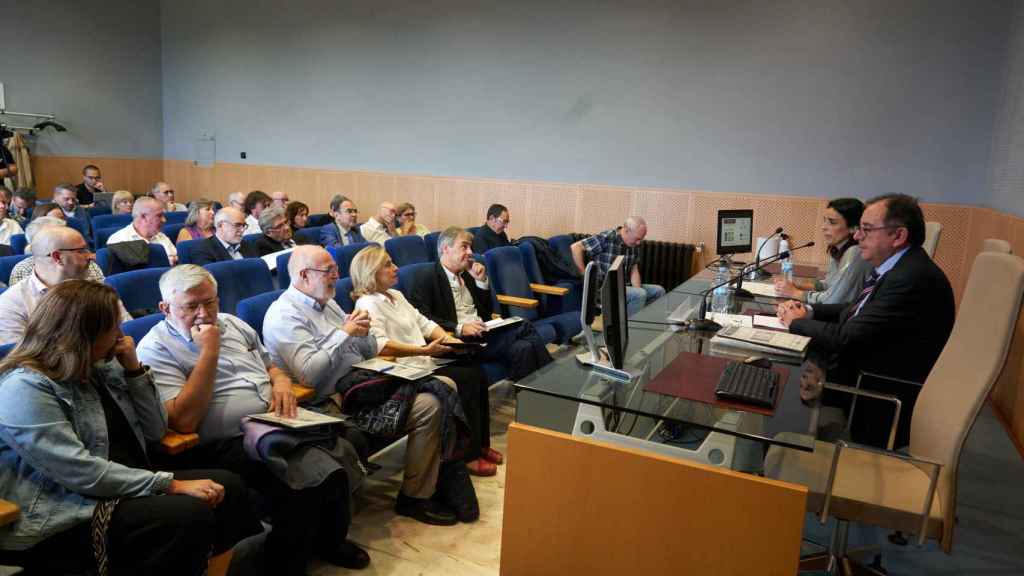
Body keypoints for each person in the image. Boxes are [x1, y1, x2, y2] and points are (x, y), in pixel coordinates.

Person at [0, 280, 261, 576]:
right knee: (189, 513)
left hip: (124, 481)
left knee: (228, 488)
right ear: (85, 333)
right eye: (113, 326)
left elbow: (156, 430)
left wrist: (134, 370)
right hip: (65, 507)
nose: (121, 333)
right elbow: (79, 471)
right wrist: (170, 485)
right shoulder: (24, 388)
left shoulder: (102, 364)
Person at [136, 265, 372, 574]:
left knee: (347, 441)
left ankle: (329, 540)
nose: (205, 313)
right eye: (191, 306)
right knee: (307, 474)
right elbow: (183, 421)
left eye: (210, 302)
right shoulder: (155, 348)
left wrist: (282, 382)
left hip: (276, 420)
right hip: (223, 440)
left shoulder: (233, 323)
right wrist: (210, 351)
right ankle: (285, 561)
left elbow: (270, 364)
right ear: (165, 308)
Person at [263, 245, 477, 525]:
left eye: (336, 270)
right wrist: (345, 333)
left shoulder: (327, 303)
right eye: (329, 271)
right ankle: (443, 482)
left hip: (364, 384)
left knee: (439, 392)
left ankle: (417, 494)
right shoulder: (284, 315)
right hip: (331, 401)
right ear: (304, 275)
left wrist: (362, 334)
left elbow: (366, 349)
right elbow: (308, 376)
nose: (336, 277)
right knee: (437, 393)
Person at [777, 194, 955, 448]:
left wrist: (795, 323)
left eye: (867, 230)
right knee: (780, 374)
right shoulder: (902, 267)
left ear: (898, 236)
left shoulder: (910, 278)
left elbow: (848, 336)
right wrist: (808, 311)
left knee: (778, 389)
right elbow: (855, 311)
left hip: (876, 397)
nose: (857, 236)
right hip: (868, 375)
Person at [350, 245, 500, 477]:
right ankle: (468, 456)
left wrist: (451, 341)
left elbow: (425, 323)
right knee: (466, 378)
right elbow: (381, 347)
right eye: (388, 264)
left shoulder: (396, 295)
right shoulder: (367, 304)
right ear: (371, 272)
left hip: (425, 358)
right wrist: (423, 349)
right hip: (405, 369)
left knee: (475, 372)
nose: (396, 268)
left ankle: (480, 445)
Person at [407, 227, 553, 382]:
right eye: (464, 246)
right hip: (458, 342)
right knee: (524, 325)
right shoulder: (425, 277)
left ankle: (528, 398)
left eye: (471, 247)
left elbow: (486, 313)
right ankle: (550, 381)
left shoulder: (468, 274)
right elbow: (423, 318)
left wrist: (481, 281)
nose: (470, 252)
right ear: (446, 249)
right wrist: (460, 328)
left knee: (522, 348)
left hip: (482, 334)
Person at [0, 226, 131, 345]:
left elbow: (126, 328)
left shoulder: (94, 285)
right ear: (58, 257)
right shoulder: (12, 304)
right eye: (81, 251)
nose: (91, 256)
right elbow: (21, 360)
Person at [774, 198, 872, 305]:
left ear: (853, 227)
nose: (823, 227)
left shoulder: (855, 252)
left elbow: (832, 300)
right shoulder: (838, 249)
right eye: (824, 220)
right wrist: (796, 284)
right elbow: (829, 285)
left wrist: (795, 293)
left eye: (832, 222)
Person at [570, 217, 665, 317]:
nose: (639, 243)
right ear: (627, 231)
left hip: (624, 287)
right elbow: (576, 247)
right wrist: (583, 272)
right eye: (637, 239)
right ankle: (628, 328)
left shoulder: (634, 244)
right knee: (640, 294)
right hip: (604, 290)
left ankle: (640, 322)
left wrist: (637, 289)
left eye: (641, 239)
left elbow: (634, 269)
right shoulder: (607, 237)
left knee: (659, 291)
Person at [10, 218, 106, 285]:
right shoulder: (23, 270)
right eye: (52, 237)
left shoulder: (86, 263)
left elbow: (104, 298)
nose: (89, 256)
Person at [107, 197, 179, 265]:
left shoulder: (161, 236)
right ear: (143, 217)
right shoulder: (118, 240)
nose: (164, 220)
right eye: (159, 216)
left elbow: (177, 258)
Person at [189, 207, 259, 266]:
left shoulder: (247, 244)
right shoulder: (202, 250)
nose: (242, 230)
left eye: (243, 225)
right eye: (237, 225)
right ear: (220, 225)